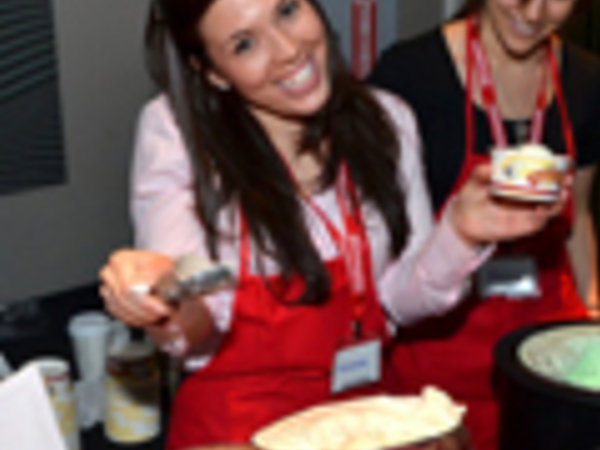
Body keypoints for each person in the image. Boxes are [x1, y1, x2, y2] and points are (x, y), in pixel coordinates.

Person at [99, 0, 569, 448]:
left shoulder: (387, 120)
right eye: (244, 44)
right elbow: (198, 316)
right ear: (212, 71)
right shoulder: (180, 134)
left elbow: (399, 300)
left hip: (359, 420)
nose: (288, 50)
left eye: (287, 10)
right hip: (237, 428)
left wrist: (461, 232)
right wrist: (165, 299)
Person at [369, 0, 600, 449]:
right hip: (438, 359)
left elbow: (580, 217)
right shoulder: (410, 75)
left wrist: (593, 315)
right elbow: (384, 242)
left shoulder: (587, 81)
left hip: (544, 357)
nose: (533, 13)